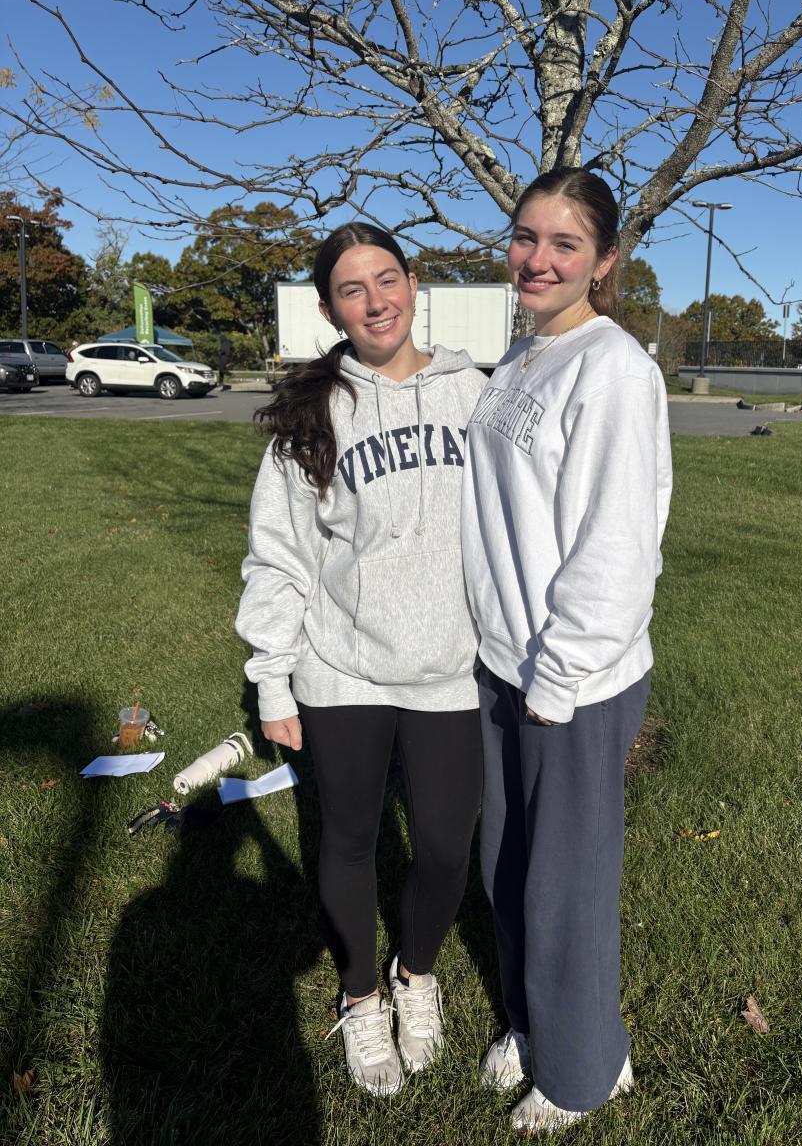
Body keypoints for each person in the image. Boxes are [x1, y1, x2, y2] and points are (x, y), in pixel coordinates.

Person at [236, 222, 485, 1098]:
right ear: (329, 308)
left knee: (446, 847)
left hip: (454, 669)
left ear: (414, 285)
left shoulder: (477, 395)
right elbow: (281, 554)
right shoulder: (314, 414)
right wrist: (272, 677)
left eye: (387, 280)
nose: (376, 302)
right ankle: (361, 995)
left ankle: (415, 973)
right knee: (347, 838)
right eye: (353, 289)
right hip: (341, 667)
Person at [461, 167, 672, 1133]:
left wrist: (560, 674)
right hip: (505, 659)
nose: (537, 259)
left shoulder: (613, 369)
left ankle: (585, 1072)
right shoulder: (524, 354)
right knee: (507, 864)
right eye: (525, 237)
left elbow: (619, 545)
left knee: (565, 885)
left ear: (605, 261)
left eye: (564, 244)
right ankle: (533, 1020)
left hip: (571, 678)